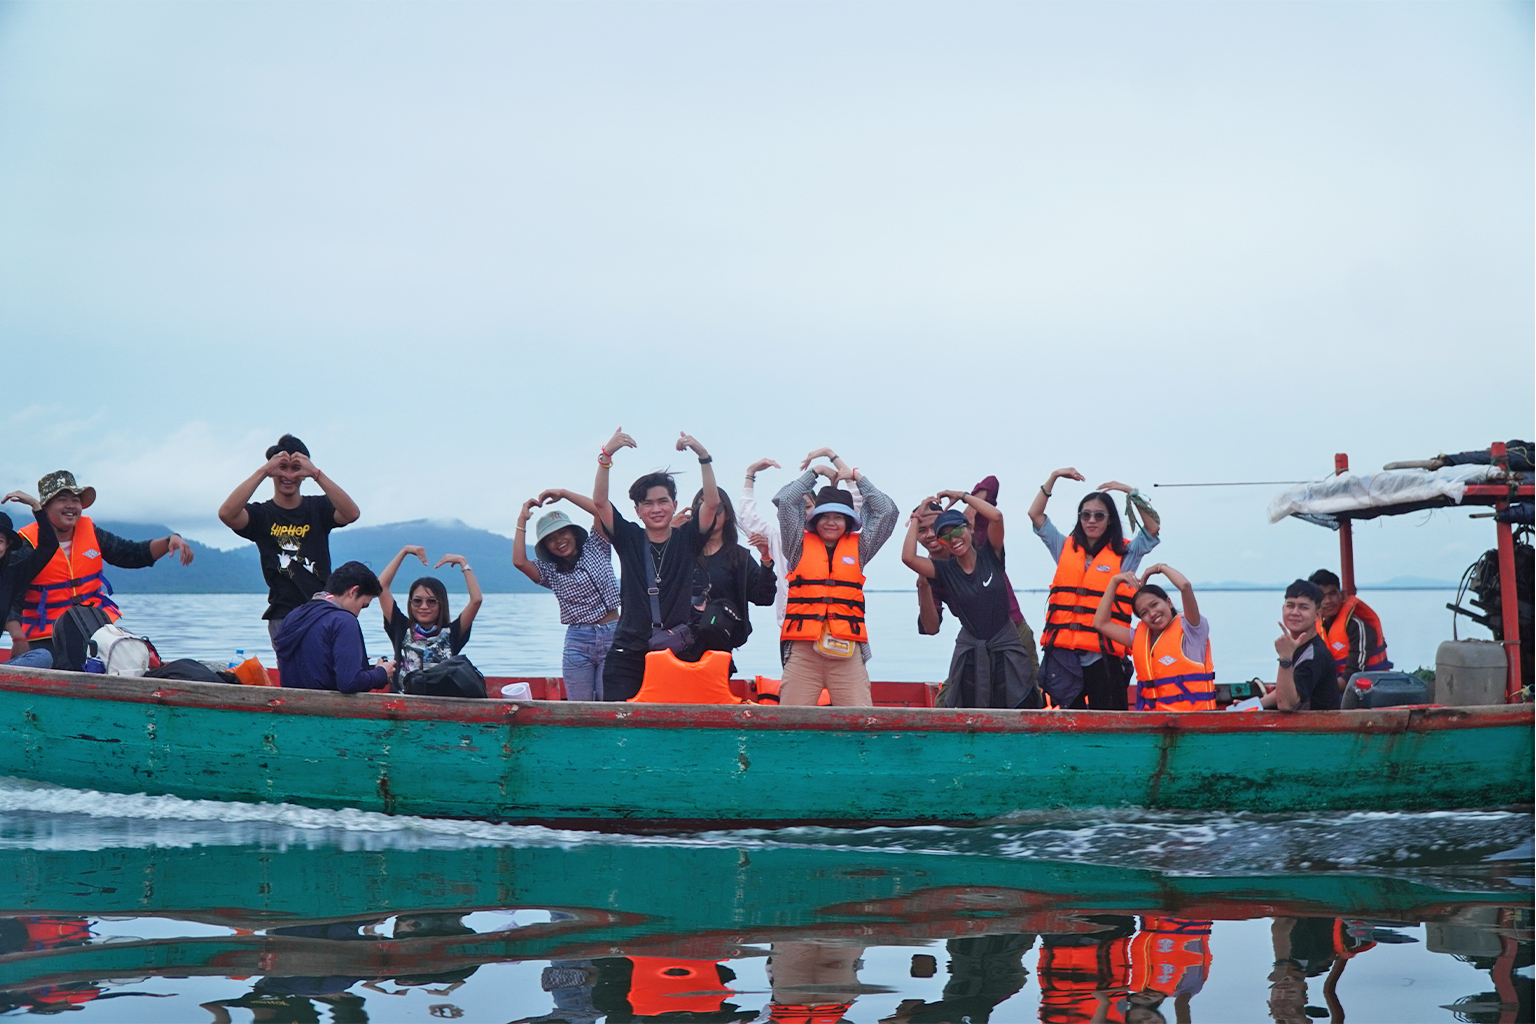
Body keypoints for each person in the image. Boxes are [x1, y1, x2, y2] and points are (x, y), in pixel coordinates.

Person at [590, 427, 720, 702]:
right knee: (619, 726)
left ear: (674, 504)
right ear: (637, 511)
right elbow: (599, 502)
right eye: (647, 504)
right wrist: (606, 455)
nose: (656, 509)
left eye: (662, 501)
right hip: (627, 651)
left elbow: (712, 502)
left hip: (674, 650)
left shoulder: (688, 539)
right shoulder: (628, 538)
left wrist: (704, 456)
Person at [13, 470, 193, 661]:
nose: (71, 506)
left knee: (137, 655)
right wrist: (17, 637)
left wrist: (169, 541)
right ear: (44, 508)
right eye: (62, 499)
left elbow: (131, 554)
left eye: (75, 500)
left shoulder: (90, 531)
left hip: (95, 628)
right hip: (48, 636)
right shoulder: (26, 545)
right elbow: (10, 593)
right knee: (48, 661)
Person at [1028, 468, 1161, 710]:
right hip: (1063, 657)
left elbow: (1152, 528)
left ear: (1110, 519)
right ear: (1079, 518)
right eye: (1086, 515)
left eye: (1099, 516)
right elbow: (1035, 514)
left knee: (1110, 717)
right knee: (1069, 721)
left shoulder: (1125, 554)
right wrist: (1054, 476)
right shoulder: (1064, 547)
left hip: (1104, 657)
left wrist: (1131, 493)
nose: (1091, 520)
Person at [774, 453, 897, 707]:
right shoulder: (796, 545)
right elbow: (786, 501)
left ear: (849, 521)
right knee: (789, 723)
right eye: (825, 516)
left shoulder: (861, 548)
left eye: (839, 517)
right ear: (815, 519)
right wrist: (815, 472)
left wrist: (857, 477)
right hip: (803, 653)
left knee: (861, 724)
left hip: (847, 652)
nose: (831, 522)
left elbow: (887, 512)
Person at [218, 434, 361, 651]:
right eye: (282, 468)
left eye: (295, 468)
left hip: (320, 609)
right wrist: (263, 471)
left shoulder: (318, 508)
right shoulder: (261, 515)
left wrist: (316, 473)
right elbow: (227, 514)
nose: (288, 475)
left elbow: (352, 513)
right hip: (283, 614)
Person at [901, 493, 1038, 709]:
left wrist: (963, 496)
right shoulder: (942, 571)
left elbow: (996, 515)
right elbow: (908, 558)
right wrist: (915, 517)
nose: (953, 539)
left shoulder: (990, 552)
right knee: (953, 704)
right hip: (974, 642)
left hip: (1011, 635)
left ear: (969, 528)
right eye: (944, 537)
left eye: (956, 531)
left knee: (1025, 697)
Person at [513, 492, 621, 701]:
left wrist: (564, 494)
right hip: (578, 640)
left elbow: (601, 510)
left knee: (608, 702)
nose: (559, 541)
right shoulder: (549, 570)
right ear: (546, 547)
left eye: (562, 533)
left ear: (573, 534)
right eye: (551, 539)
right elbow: (519, 561)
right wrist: (522, 520)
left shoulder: (596, 546)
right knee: (579, 705)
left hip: (613, 633)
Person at [737, 452, 864, 627]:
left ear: (819, 508)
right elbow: (747, 517)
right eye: (795, 508)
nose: (801, 512)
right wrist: (750, 474)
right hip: (793, 624)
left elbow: (856, 502)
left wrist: (833, 459)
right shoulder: (779, 539)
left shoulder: (835, 534)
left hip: (836, 623)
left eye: (807, 506)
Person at [1092, 563, 1216, 712]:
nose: (1152, 613)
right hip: (1155, 723)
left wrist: (1160, 568)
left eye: (1154, 604)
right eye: (1144, 613)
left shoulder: (1192, 629)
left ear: (1168, 602)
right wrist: (1114, 582)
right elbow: (1100, 623)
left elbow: (1184, 586)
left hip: (1195, 719)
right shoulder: (1139, 638)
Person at [274, 561, 395, 692]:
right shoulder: (344, 621)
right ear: (353, 591)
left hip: (291, 705)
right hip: (325, 708)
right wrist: (382, 672)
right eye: (363, 605)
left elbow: (314, 666)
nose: (358, 614)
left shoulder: (292, 616)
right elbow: (350, 683)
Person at [691, 488, 776, 672]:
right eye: (702, 507)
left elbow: (764, 597)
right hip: (680, 645)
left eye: (717, 507)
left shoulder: (739, 557)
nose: (710, 512)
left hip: (719, 647)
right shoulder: (683, 551)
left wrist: (766, 559)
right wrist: (671, 533)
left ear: (727, 513)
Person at [376, 545, 482, 691]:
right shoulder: (401, 628)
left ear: (441, 604)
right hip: (403, 701)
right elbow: (381, 587)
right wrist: (404, 552)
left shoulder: (453, 633)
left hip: (442, 704)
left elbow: (476, 600)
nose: (424, 606)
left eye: (431, 601)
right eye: (417, 601)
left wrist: (463, 562)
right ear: (410, 603)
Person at [0, 493, 61, 668]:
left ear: (7, 546)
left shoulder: (12, 576)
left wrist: (36, 506)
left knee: (42, 656)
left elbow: (49, 546)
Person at [1262, 580, 1339, 712]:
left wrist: (1285, 659)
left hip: (1316, 729)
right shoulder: (1298, 645)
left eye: (1304, 607)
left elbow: (1286, 704)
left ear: (1317, 615)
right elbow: (1287, 688)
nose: (1295, 612)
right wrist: (1253, 705)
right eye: (1290, 606)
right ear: (1283, 609)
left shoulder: (1315, 654)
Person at [1307, 569, 1392, 685]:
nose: (1328, 601)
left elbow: (1355, 673)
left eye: (1332, 594)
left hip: (1366, 689)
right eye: (1322, 596)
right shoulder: (1319, 627)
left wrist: (1323, 692)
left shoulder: (1357, 626)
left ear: (1341, 595)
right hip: (1335, 686)